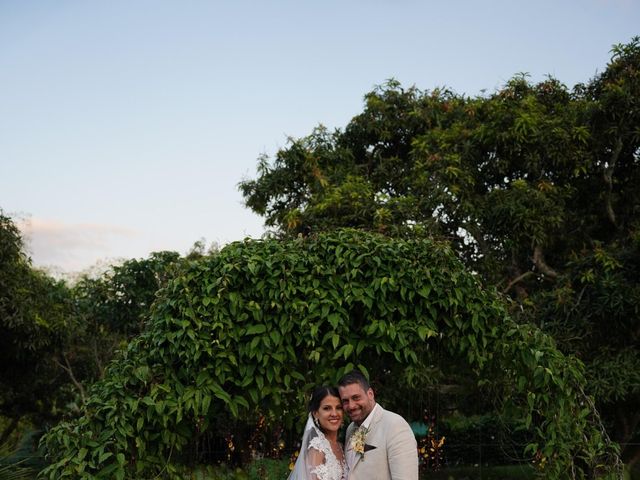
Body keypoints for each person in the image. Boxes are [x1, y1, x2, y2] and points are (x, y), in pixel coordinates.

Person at [338, 370, 418, 480]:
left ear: (370, 394)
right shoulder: (351, 428)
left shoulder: (395, 425)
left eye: (356, 397)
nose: (351, 406)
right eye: (345, 401)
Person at [288, 386, 348, 480]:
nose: (334, 413)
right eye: (327, 408)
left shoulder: (341, 446)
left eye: (338, 408)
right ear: (315, 413)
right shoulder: (317, 448)